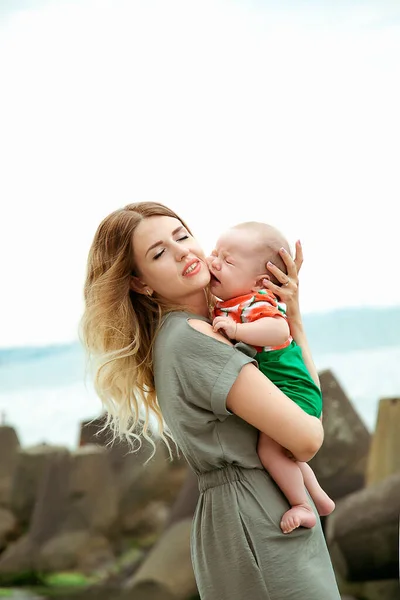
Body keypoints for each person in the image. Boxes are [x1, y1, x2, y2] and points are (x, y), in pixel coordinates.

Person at [81, 202, 341, 600]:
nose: (182, 251)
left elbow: (297, 400)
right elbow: (306, 437)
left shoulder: (210, 327)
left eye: (182, 236)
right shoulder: (192, 340)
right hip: (258, 525)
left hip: (258, 516)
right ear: (140, 283)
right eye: (158, 253)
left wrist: (291, 314)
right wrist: (291, 326)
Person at [209, 221, 335, 534]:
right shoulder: (230, 303)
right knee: (284, 450)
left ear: (260, 281)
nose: (214, 262)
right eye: (214, 253)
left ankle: (302, 505)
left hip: (295, 390)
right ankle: (319, 498)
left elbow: (279, 330)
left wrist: (237, 331)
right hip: (291, 391)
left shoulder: (255, 303)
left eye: (227, 261)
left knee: (270, 449)